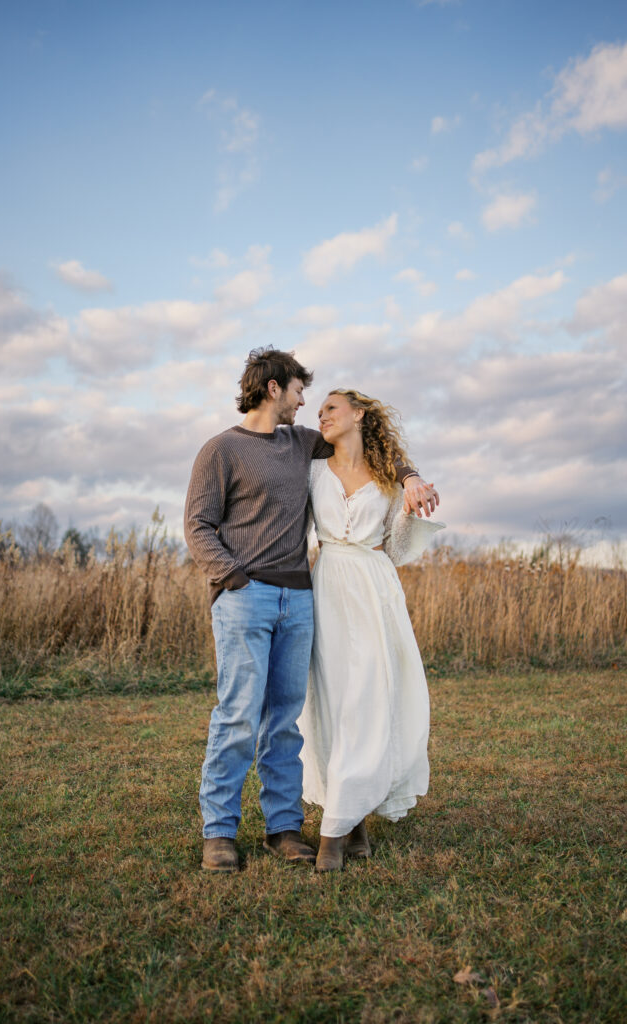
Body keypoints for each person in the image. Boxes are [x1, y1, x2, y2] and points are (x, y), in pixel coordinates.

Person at [184, 348, 438, 872]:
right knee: (236, 715)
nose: (308, 405)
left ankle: (283, 827)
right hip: (245, 596)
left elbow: (374, 447)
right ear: (274, 388)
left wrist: (411, 476)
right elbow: (198, 525)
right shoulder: (221, 449)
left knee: (286, 720)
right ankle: (219, 834)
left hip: (300, 598)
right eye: (301, 392)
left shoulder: (302, 444)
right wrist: (233, 577)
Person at [298, 388, 444, 872]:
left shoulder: (387, 477)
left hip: (373, 590)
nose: (321, 416)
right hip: (326, 589)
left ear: (358, 415)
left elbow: (398, 550)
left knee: (366, 700)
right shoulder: (313, 469)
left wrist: (407, 504)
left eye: (331, 408)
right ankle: (353, 816)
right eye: (318, 411)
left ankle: (332, 836)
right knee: (331, 702)